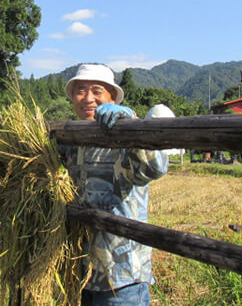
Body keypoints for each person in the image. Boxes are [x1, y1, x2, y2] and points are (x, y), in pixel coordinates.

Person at [58, 63, 174, 306]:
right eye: (80, 90)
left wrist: (132, 124)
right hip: (81, 274)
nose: (88, 98)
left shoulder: (125, 134)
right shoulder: (70, 139)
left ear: (112, 96)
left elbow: (156, 167)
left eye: (96, 90)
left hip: (122, 278)